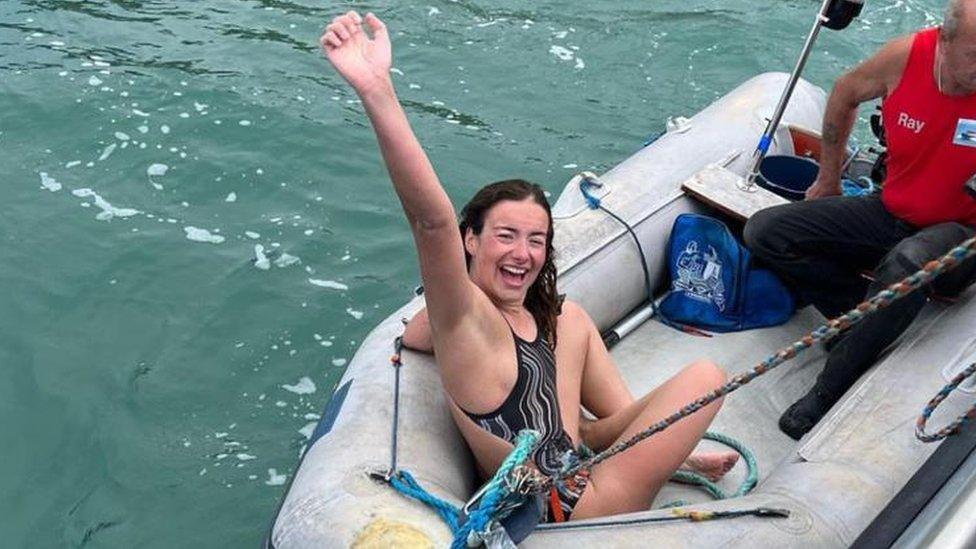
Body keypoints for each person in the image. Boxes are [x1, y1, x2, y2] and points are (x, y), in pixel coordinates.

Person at [321, 10, 731, 522]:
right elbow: (431, 223)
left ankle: (662, 452)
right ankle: (653, 455)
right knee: (707, 373)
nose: (524, 253)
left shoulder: (530, 319)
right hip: (575, 508)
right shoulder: (469, 322)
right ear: (469, 240)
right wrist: (376, 90)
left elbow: (423, 333)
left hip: (578, 453)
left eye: (537, 239)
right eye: (506, 236)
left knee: (573, 320)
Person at [744, 0, 976, 441]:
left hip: (961, 236)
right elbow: (845, 92)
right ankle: (861, 315)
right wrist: (828, 178)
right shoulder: (905, 56)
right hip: (891, 208)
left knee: (909, 263)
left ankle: (830, 386)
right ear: (943, 42)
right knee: (767, 232)